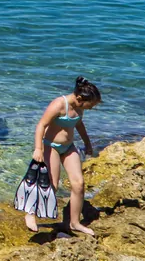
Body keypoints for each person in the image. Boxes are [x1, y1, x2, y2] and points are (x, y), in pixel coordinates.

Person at [26, 78, 102, 234]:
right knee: (52, 185)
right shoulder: (59, 104)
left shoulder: (79, 108)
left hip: (68, 147)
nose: (92, 108)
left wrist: (87, 143)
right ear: (80, 99)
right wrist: (38, 148)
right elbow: (41, 125)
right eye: (91, 105)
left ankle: (74, 222)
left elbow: (79, 124)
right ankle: (30, 214)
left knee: (78, 183)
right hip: (50, 146)